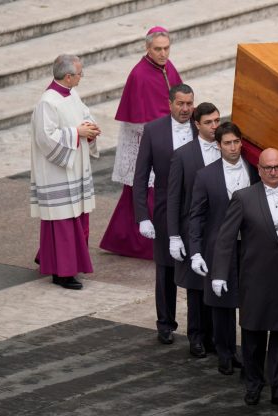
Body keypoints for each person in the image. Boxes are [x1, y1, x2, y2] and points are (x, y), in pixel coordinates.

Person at [210, 148, 278, 411]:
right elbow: (225, 238)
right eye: (268, 168)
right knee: (252, 336)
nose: (273, 172)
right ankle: (253, 384)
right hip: (255, 278)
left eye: (277, 167)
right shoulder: (244, 197)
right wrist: (219, 274)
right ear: (259, 170)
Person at [100, 26, 182, 260]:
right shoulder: (139, 74)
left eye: (166, 48)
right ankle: (144, 245)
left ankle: (122, 239)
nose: (163, 53)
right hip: (146, 142)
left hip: (165, 136)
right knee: (146, 191)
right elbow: (138, 120)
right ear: (147, 48)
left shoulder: (168, 67)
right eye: (158, 49)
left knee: (146, 192)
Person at [189, 122, 259, 374]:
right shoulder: (206, 176)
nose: (233, 147)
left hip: (250, 245)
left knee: (249, 300)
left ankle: (248, 354)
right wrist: (195, 251)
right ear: (218, 145)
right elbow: (196, 216)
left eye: (236, 142)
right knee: (222, 303)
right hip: (220, 248)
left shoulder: (254, 171)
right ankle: (225, 353)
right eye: (227, 143)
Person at [133, 83, 196, 346]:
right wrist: (142, 216)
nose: (185, 109)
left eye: (189, 104)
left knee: (196, 268)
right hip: (163, 210)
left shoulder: (202, 128)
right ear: (169, 103)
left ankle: (199, 330)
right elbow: (139, 177)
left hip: (195, 210)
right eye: (180, 103)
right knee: (166, 271)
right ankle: (165, 323)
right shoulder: (153, 130)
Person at [30, 54, 100, 290]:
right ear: (68, 76)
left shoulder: (72, 93)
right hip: (57, 172)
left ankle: (56, 260)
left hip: (75, 167)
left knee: (75, 218)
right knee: (62, 222)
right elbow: (45, 138)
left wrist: (90, 128)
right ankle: (62, 273)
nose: (82, 77)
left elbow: (83, 115)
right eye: (80, 73)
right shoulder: (47, 102)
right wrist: (77, 132)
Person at [167, 102, 220, 357]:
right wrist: (174, 235)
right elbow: (174, 199)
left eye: (217, 121)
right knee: (196, 287)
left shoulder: (227, 149)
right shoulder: (183, 155)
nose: (214, 127)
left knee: (217, 282)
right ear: (197, 124)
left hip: (220, 229)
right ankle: (196, 337)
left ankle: (215, 337)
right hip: (193, 230)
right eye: (208, 122)